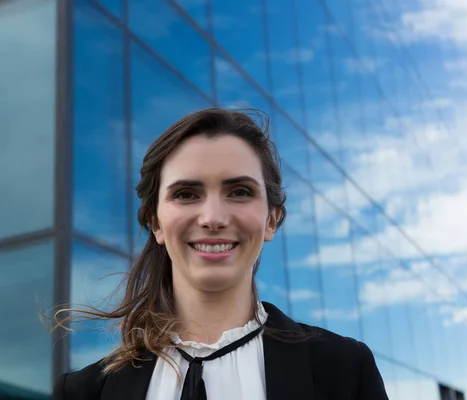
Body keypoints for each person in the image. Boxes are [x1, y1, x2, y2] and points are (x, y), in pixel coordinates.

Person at [52, 108, 389, 400]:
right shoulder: (84, 392)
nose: (213, 217)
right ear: (156, 223)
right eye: (186, 194)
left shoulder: (345, 370)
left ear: (272, 219)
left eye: (239, 192)